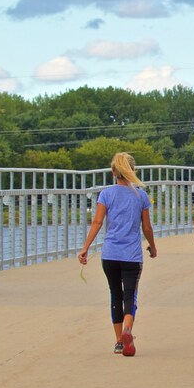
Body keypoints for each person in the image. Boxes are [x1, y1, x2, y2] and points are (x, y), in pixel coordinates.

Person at [78, 152, 157, 357]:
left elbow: (97, 222)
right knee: (130, 294)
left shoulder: (106, 194)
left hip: (110, 254)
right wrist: (153, 247)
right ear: (133, 170)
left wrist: (86, 247)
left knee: (116, 294)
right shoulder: (141, 195)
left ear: (114, 172)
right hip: (131, 255)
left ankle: (118, 343)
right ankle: (127, 330)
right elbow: (147, 227)